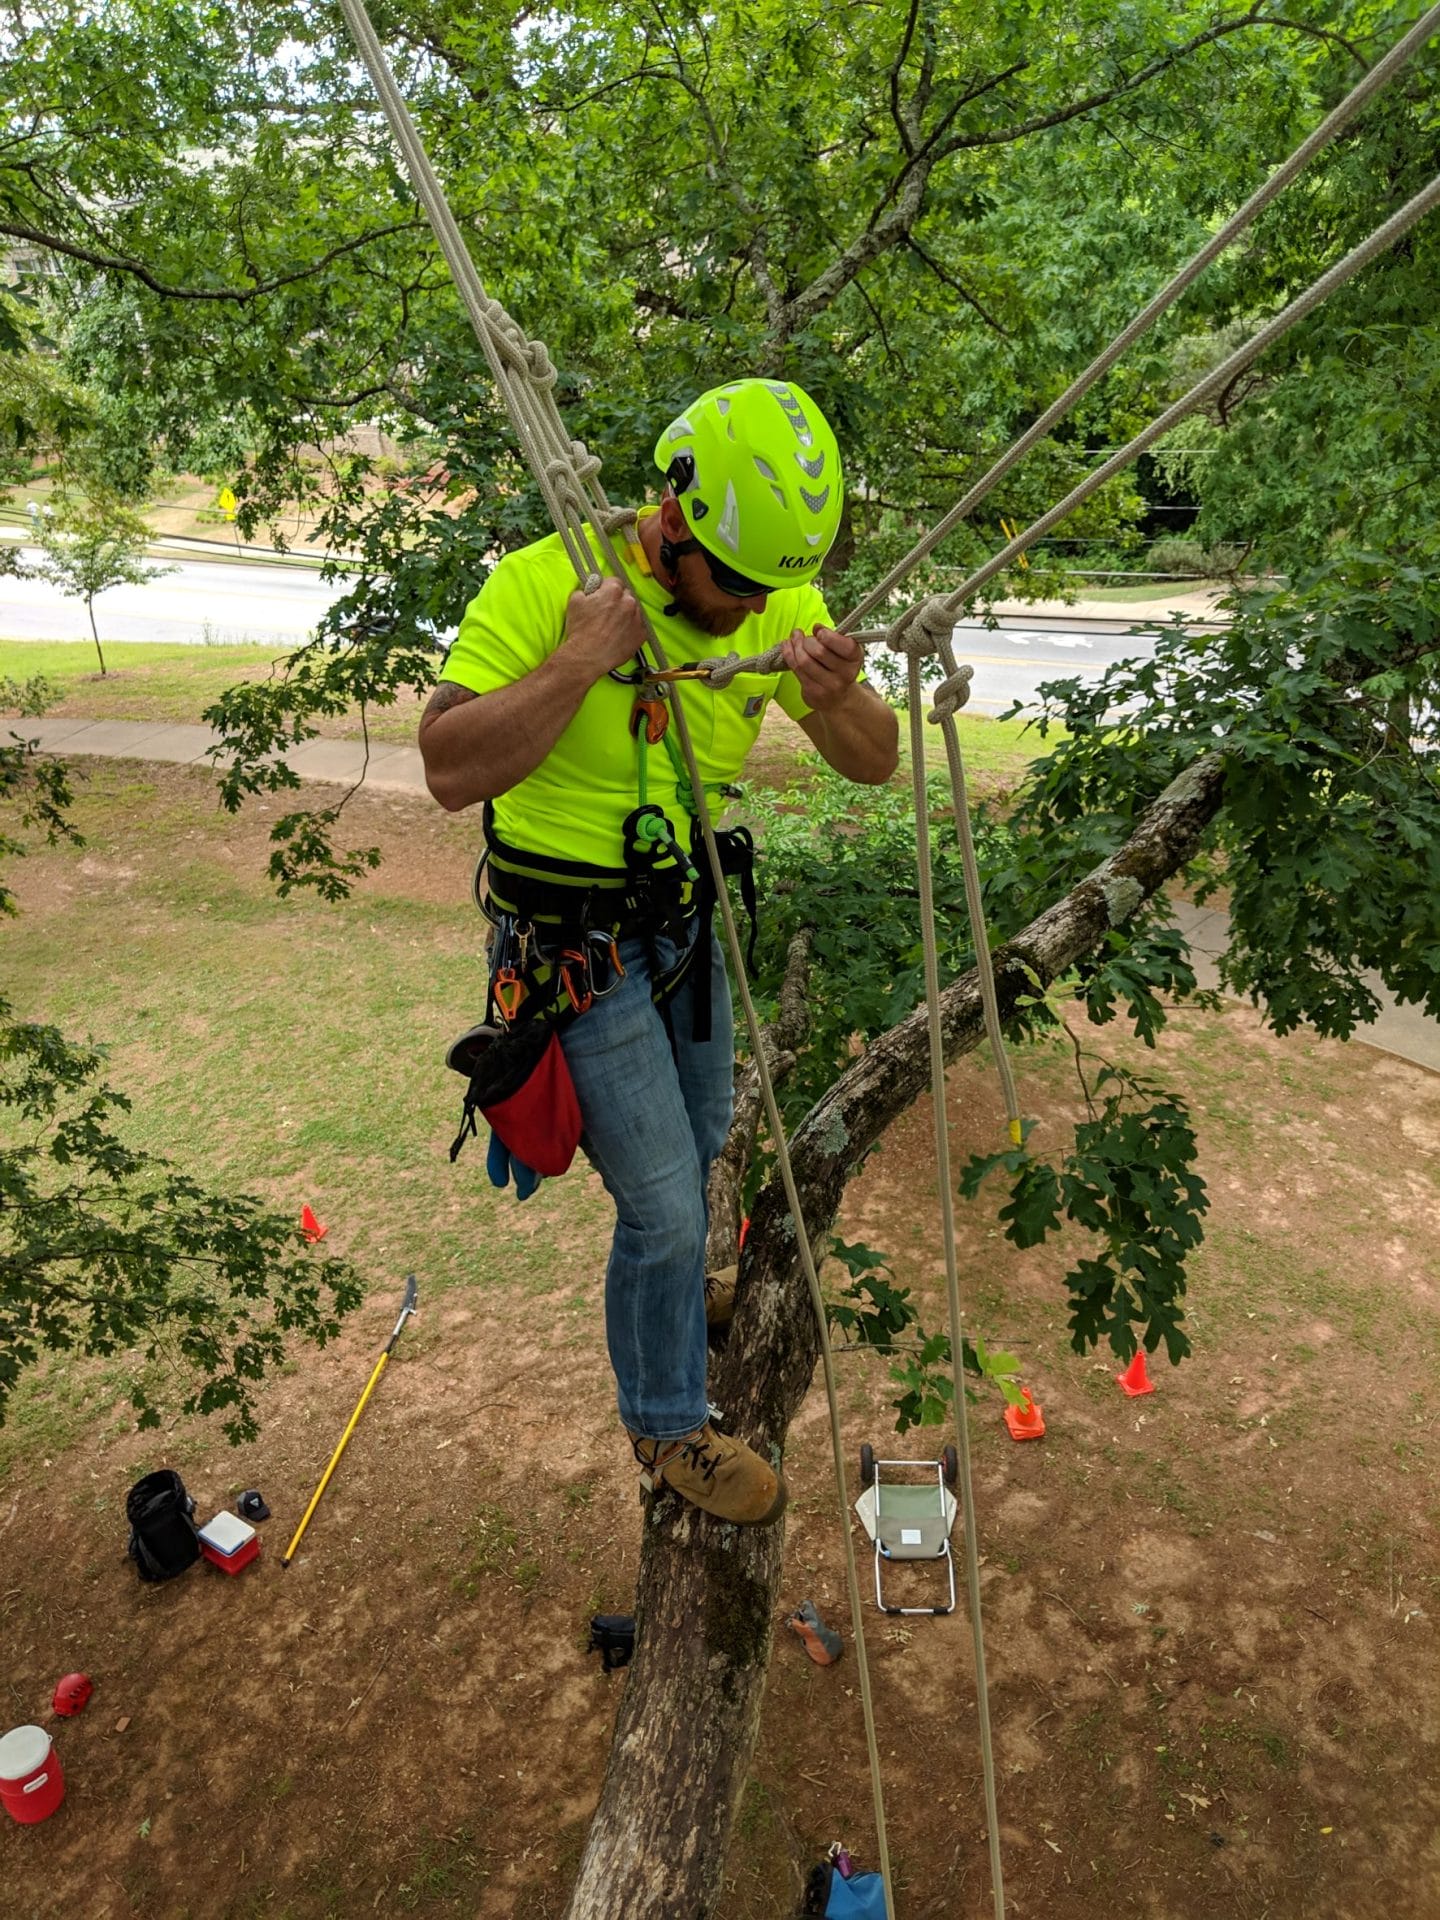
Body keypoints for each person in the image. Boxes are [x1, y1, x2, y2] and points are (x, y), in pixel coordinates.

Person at [419, 377, 898, 1526]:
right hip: (571, 949)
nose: (749, 610)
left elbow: (874, 759)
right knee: (666, 1206)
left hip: (680, 922)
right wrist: (581, 660)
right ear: (674, 520)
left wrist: (831, 700)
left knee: (710, 1137)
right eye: (732, 584)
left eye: (768, 589)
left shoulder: (773, 592)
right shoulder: (548, 584)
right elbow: (446, 766)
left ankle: (680, 1298)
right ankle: (667, 1422)